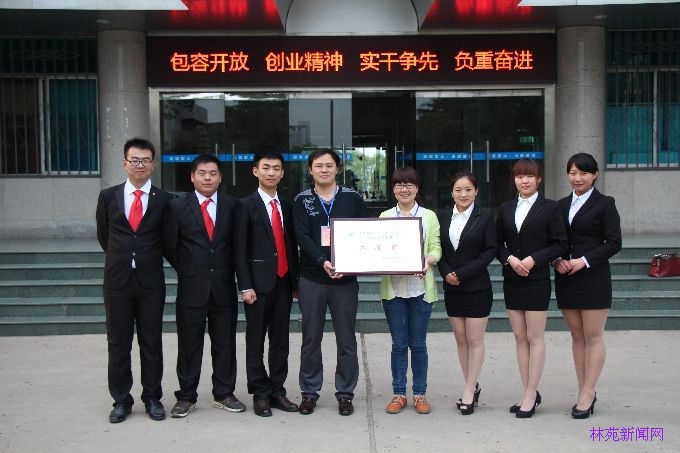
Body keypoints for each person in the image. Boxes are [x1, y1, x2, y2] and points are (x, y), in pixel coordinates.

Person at [95, 138, 172, 423]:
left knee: (151, 342)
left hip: (151, 283)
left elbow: (168, 238)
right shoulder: (108, 196)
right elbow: (105, 236)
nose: (140, 165)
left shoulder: (164, 199)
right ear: (125, 163)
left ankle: (152, 397)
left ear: (153, 164)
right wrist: (125, 257)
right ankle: (121, 400)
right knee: (118, 342)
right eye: (135, 160)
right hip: (117, 282)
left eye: (145, 160)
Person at [163, 154, 245, 418]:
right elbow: (169, 245)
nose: (207, 178)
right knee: (189, 345)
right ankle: (186, 396)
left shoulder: (233, 206)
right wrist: (188, 269)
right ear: (192, 176)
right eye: (202, 173)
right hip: (191, 287)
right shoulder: (177, 206)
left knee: (225, 344)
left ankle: (224, 392)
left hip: (223, 287)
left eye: (213, 173)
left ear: (220, 177)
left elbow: (238, 245)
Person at [292, 149, 367, 416]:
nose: (324, 170)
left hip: (345, 281)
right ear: (310, 170)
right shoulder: (302, 200)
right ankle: (309, 392)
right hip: (312, 278)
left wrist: (349, 265)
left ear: (338, 169)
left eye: (329, 165)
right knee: (311, 338)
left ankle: (345, 393)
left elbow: (364, 233)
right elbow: (302, 236)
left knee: (346, 339)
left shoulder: (352, 198)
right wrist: (323, 261)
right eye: (318, 165)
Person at [496, 158, 568, 418]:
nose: (524, 181)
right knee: (519, 337)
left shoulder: (550, 208)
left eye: (529, 176)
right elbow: (497, 243)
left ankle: (530, 394)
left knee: (534, 337)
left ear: (539, 179)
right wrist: (509, 259)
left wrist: (534, 259)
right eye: (519, 176)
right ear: (514, 180)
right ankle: (528, 390)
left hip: (536, 279)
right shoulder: (506, 208)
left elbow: (560, 244)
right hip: (512, 278)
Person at [554, 153, 622, 419]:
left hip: (593, 278)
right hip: (566, 278)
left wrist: (583, 261)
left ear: (595, 175)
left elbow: (613, 242)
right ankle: (584, 388)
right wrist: (557, 260)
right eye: (572, 173)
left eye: (583, 173)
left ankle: (588, 392)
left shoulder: (605, 204)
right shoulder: (560, 206)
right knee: (577, 336)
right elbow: (554, 241)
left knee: (593, 336)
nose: (577, 178)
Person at [235, 151, 300, 417]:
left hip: (283, 282)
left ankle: (277, 390)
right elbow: (239, 249)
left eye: (276, 168)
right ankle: (260, 393)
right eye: (266, 168)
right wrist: (245, 285)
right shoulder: (244, 205)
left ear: (282, 173)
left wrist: (295, 282)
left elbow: (290, 245)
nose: (271, 172)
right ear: (255, 171)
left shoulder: (287, 205)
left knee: (280, 341)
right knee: (255, 341)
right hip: (257, 285)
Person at [380, 167, 441, 415]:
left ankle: (419, 394)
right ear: (393, 189)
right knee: (398, 344)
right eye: (399, 185)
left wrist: (427, 261)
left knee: (418, 344)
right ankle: (398, 394)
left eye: (409, 185)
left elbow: (436, 248)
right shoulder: (385, 217)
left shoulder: (429, 216)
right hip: (393, 290)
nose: (404, 189)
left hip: (420, 290)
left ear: (417, 188)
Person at [437, 172, 496, 415]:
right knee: (461, 340)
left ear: (476, 192)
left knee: (475, 340)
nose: (463, 194)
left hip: (477, 287)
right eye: (458, 190)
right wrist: (446, 273)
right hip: (452, 288)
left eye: (468, 190)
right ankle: (472, 384)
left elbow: (489, 251)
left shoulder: (485, 217)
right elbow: (438, 249)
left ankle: (469, 391)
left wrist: (462, 273)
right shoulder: (442, 217)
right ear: (451, 192)